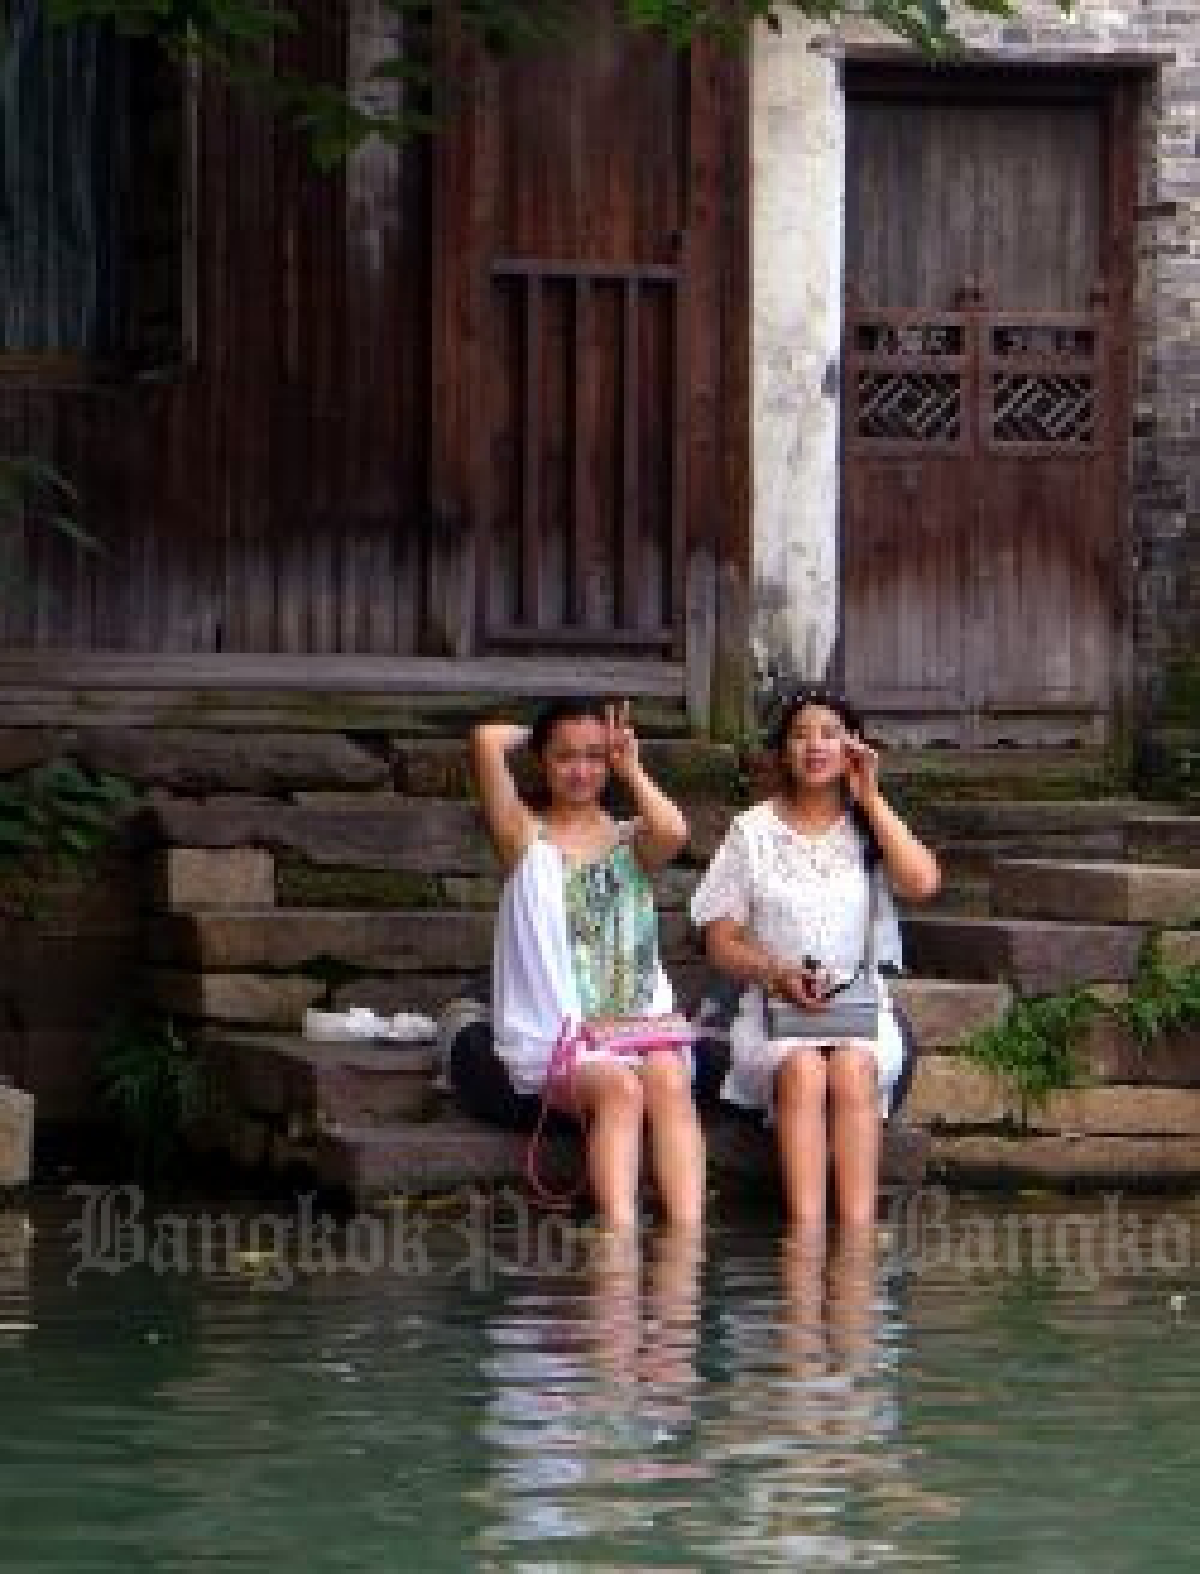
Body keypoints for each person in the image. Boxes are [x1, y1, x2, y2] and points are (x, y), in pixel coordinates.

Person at [689, 685, 940, 1238]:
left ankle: (855, 1243)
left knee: (852, 1067)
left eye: (830, 733)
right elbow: (721, 941)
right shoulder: (752, 832)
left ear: (853, 746)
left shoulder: (868, 826)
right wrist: (777, 973)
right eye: (801, 734)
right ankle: (803, 1244)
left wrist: (871, 797)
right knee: (803, 1069)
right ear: (782, 750)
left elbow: (923, 882)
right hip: (774, 1012)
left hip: (858, 1012)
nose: (815, 745)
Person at [448, 699, 703, 1235]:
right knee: (619, 1089)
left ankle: (687, 1241)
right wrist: (542, 725)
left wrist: (630, 765)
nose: (581, 770)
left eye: (594, 757)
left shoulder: (629, 840)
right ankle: (618, 1240)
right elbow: (486, 741)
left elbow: (675, 832)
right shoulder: (523, 837)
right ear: (541, 760)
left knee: (670, 1082)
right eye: (564, 757)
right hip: (559, 1037)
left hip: (637, 1024)